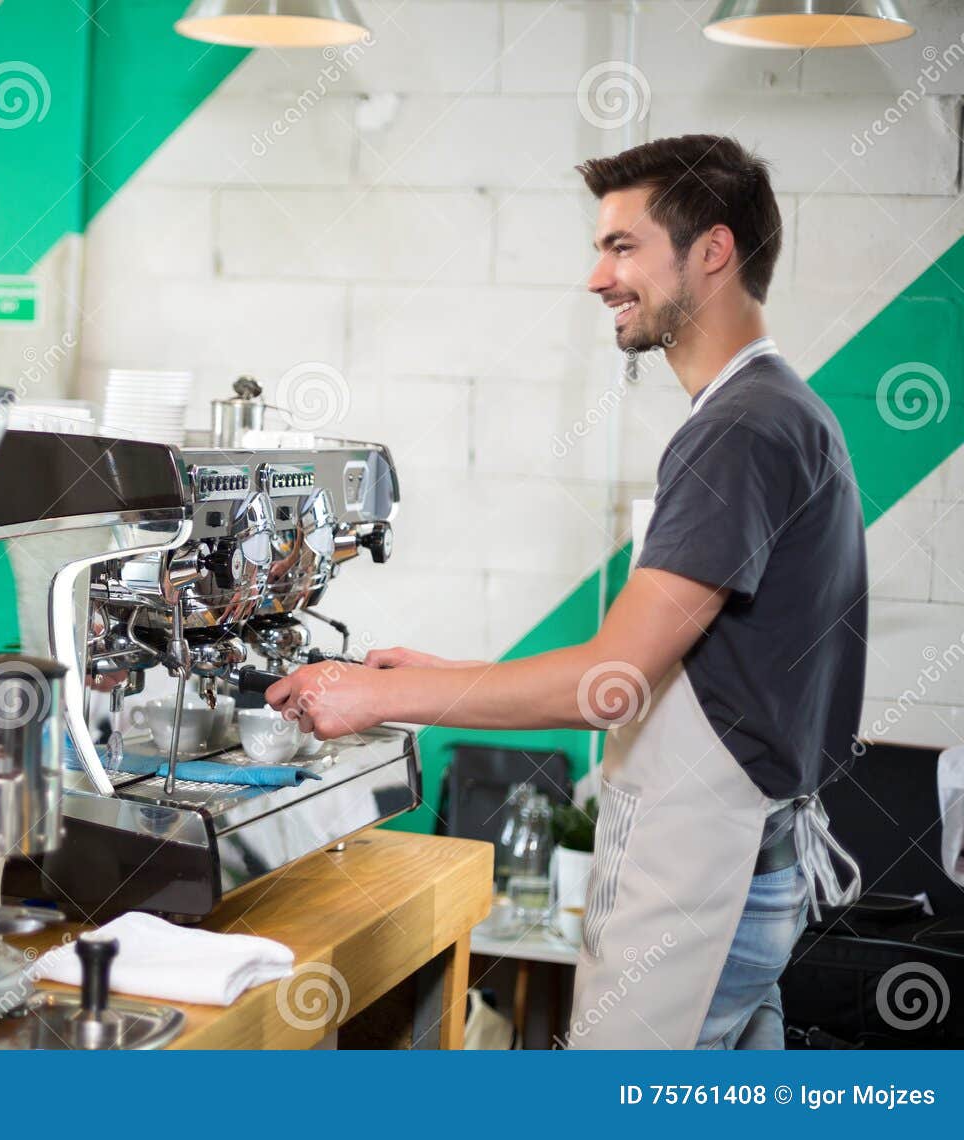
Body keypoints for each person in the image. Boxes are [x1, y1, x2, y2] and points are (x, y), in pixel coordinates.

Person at [265, 134, 867, 1050]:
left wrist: (380, 696)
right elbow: (663, 663)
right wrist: (449, 671)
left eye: (622, 247)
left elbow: (612, 677)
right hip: (741, 866)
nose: (597, 278)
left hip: (703, 874)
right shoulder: (777, 411)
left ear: (711, 251)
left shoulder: (742, 430)